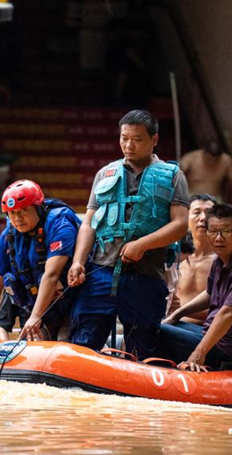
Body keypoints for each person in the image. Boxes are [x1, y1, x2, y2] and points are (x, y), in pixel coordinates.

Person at [67, 109, 189, 360]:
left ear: (154, 140)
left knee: (141, 344)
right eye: (124, 138)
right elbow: (88, 222)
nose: (128, 145)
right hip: (101, 269)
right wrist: (78, 261)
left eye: (137, 139)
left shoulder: (173, 176)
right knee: (84, 337)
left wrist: (142, 245)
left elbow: (180, 224)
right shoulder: (105, 174)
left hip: (145, 274)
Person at [159, 204, 232, 371]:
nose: (218, 238)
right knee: (165, 323)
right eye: (212, 231)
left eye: (225, 232)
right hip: (214, 337)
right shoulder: (221, 259)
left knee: (157, 331)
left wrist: (198, 354)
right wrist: (176, 315)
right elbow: (210, 294)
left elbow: (227, 313)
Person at [0, 180, 82, 346]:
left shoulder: (60, 226)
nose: (18, 218)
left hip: (76, 302)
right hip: (45, 308)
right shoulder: (8, 236)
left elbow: (51, 275)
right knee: (36, 347)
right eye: (12, 213)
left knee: (65, 343)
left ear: (38, 208)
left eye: (24, 211)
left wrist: (35, 317)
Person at [166, 193, 218, 324]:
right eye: (196, 212)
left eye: (209, 213)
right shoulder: (176, 258)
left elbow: (226, 309)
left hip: (208, 333)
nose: (203, 218)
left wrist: (181, 310)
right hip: (172, 327)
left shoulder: (224, 261)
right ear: (186, 219)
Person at [179, 139, 232, 206]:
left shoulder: (226, 161)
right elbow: (176, 174)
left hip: (214, 199)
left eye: (215, 160)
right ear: (204, 152)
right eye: (209, 159)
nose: (212, 162)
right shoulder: (191, 158)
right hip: (192, 197)